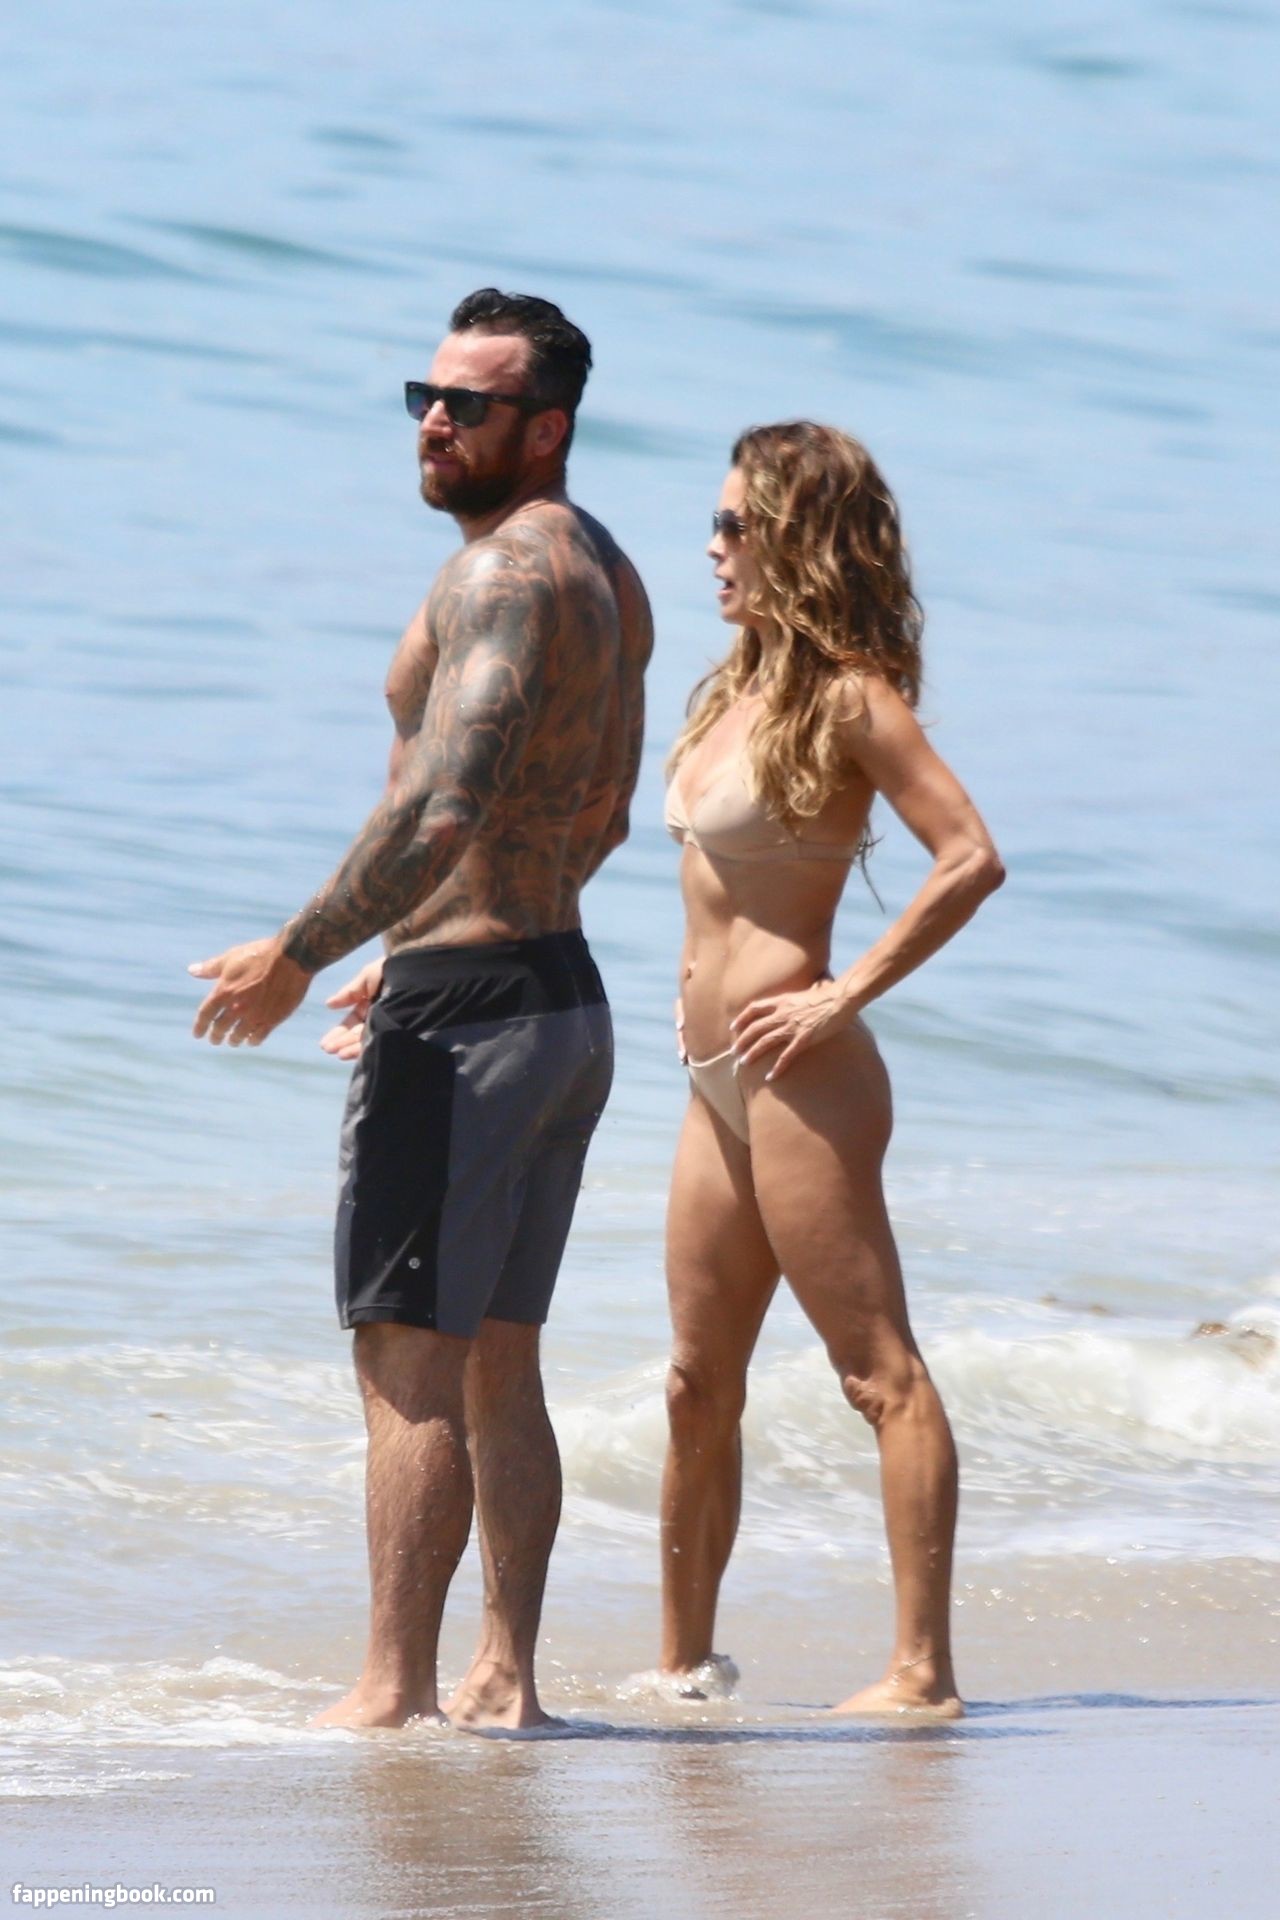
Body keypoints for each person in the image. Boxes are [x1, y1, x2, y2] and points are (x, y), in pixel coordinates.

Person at [189, 289, 652, 1731]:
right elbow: (602, 812)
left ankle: (390, 1689)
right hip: (561, 1001)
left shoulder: (503, 576)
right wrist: (414, 944)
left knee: (407, 1365)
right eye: (425, 398)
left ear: (547, 428)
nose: (436, 423)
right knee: (500, 1356)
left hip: (469, 1024)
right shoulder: (608, 571)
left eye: (469, 404)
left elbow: (445, 803)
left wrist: (302, 948)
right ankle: (506, 1681)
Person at [659, 421, 1003, 1716]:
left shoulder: (851, 698)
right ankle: (683, 1671)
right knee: (695, 1385)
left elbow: (969, 856)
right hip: (711, 1076)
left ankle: (922, 1672)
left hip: (802, 1075)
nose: (713, 547)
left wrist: (844, 991)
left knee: (876, 1374)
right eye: (714, 522)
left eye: (735, 525)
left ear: (797, 539)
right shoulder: (730, 690)